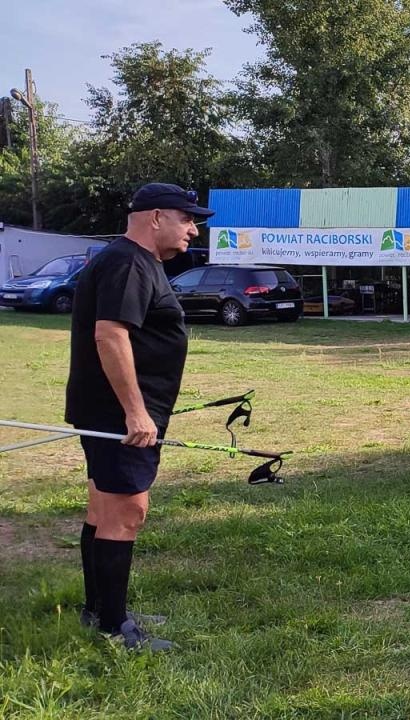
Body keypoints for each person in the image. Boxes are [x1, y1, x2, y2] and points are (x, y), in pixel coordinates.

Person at [67, 183, 214, 651]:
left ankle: (101, 610)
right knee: (127, 511)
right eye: (187, 218)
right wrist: (136, 412)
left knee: (103, 508)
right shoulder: (129, 262)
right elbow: (110, 336)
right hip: (120, 417)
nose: (193, 229)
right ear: (155, 217)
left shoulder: (130, 261)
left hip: (112, 412)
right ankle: (116, 629)